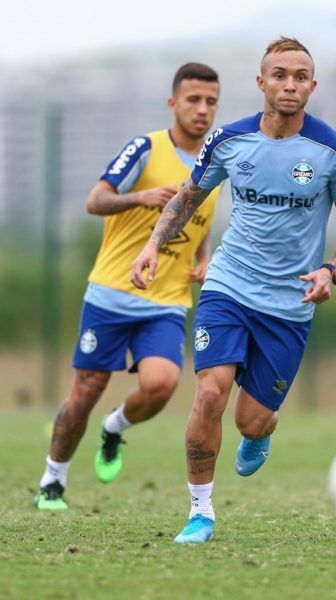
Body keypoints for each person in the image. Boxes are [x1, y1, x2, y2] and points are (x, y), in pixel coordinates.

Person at [131, 37, 336, 544]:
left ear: (312, 85)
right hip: (228, 285)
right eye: (279, 74)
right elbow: (188, 199)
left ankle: (259, 434)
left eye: (300, 76)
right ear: (261, 82)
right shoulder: (230, 140)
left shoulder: (331, 149)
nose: (289, 84)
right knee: (210, 390)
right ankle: (200, 512)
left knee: (252, 420)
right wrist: (152, 245)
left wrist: (331, 270)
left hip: (290, 304)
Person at [35, 63, 221, 510]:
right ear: (173, 103)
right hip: (111, 294)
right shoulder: (145, 147)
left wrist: (202, 256)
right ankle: (52, 478)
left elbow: (201, 217)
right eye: (193, 100)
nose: (202, 110)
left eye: (211, 102)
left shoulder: (216, 160)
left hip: (167, 300)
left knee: (163, 384)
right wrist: (141, 196)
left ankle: (115, 428)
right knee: (86, 391)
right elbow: (95, 200)